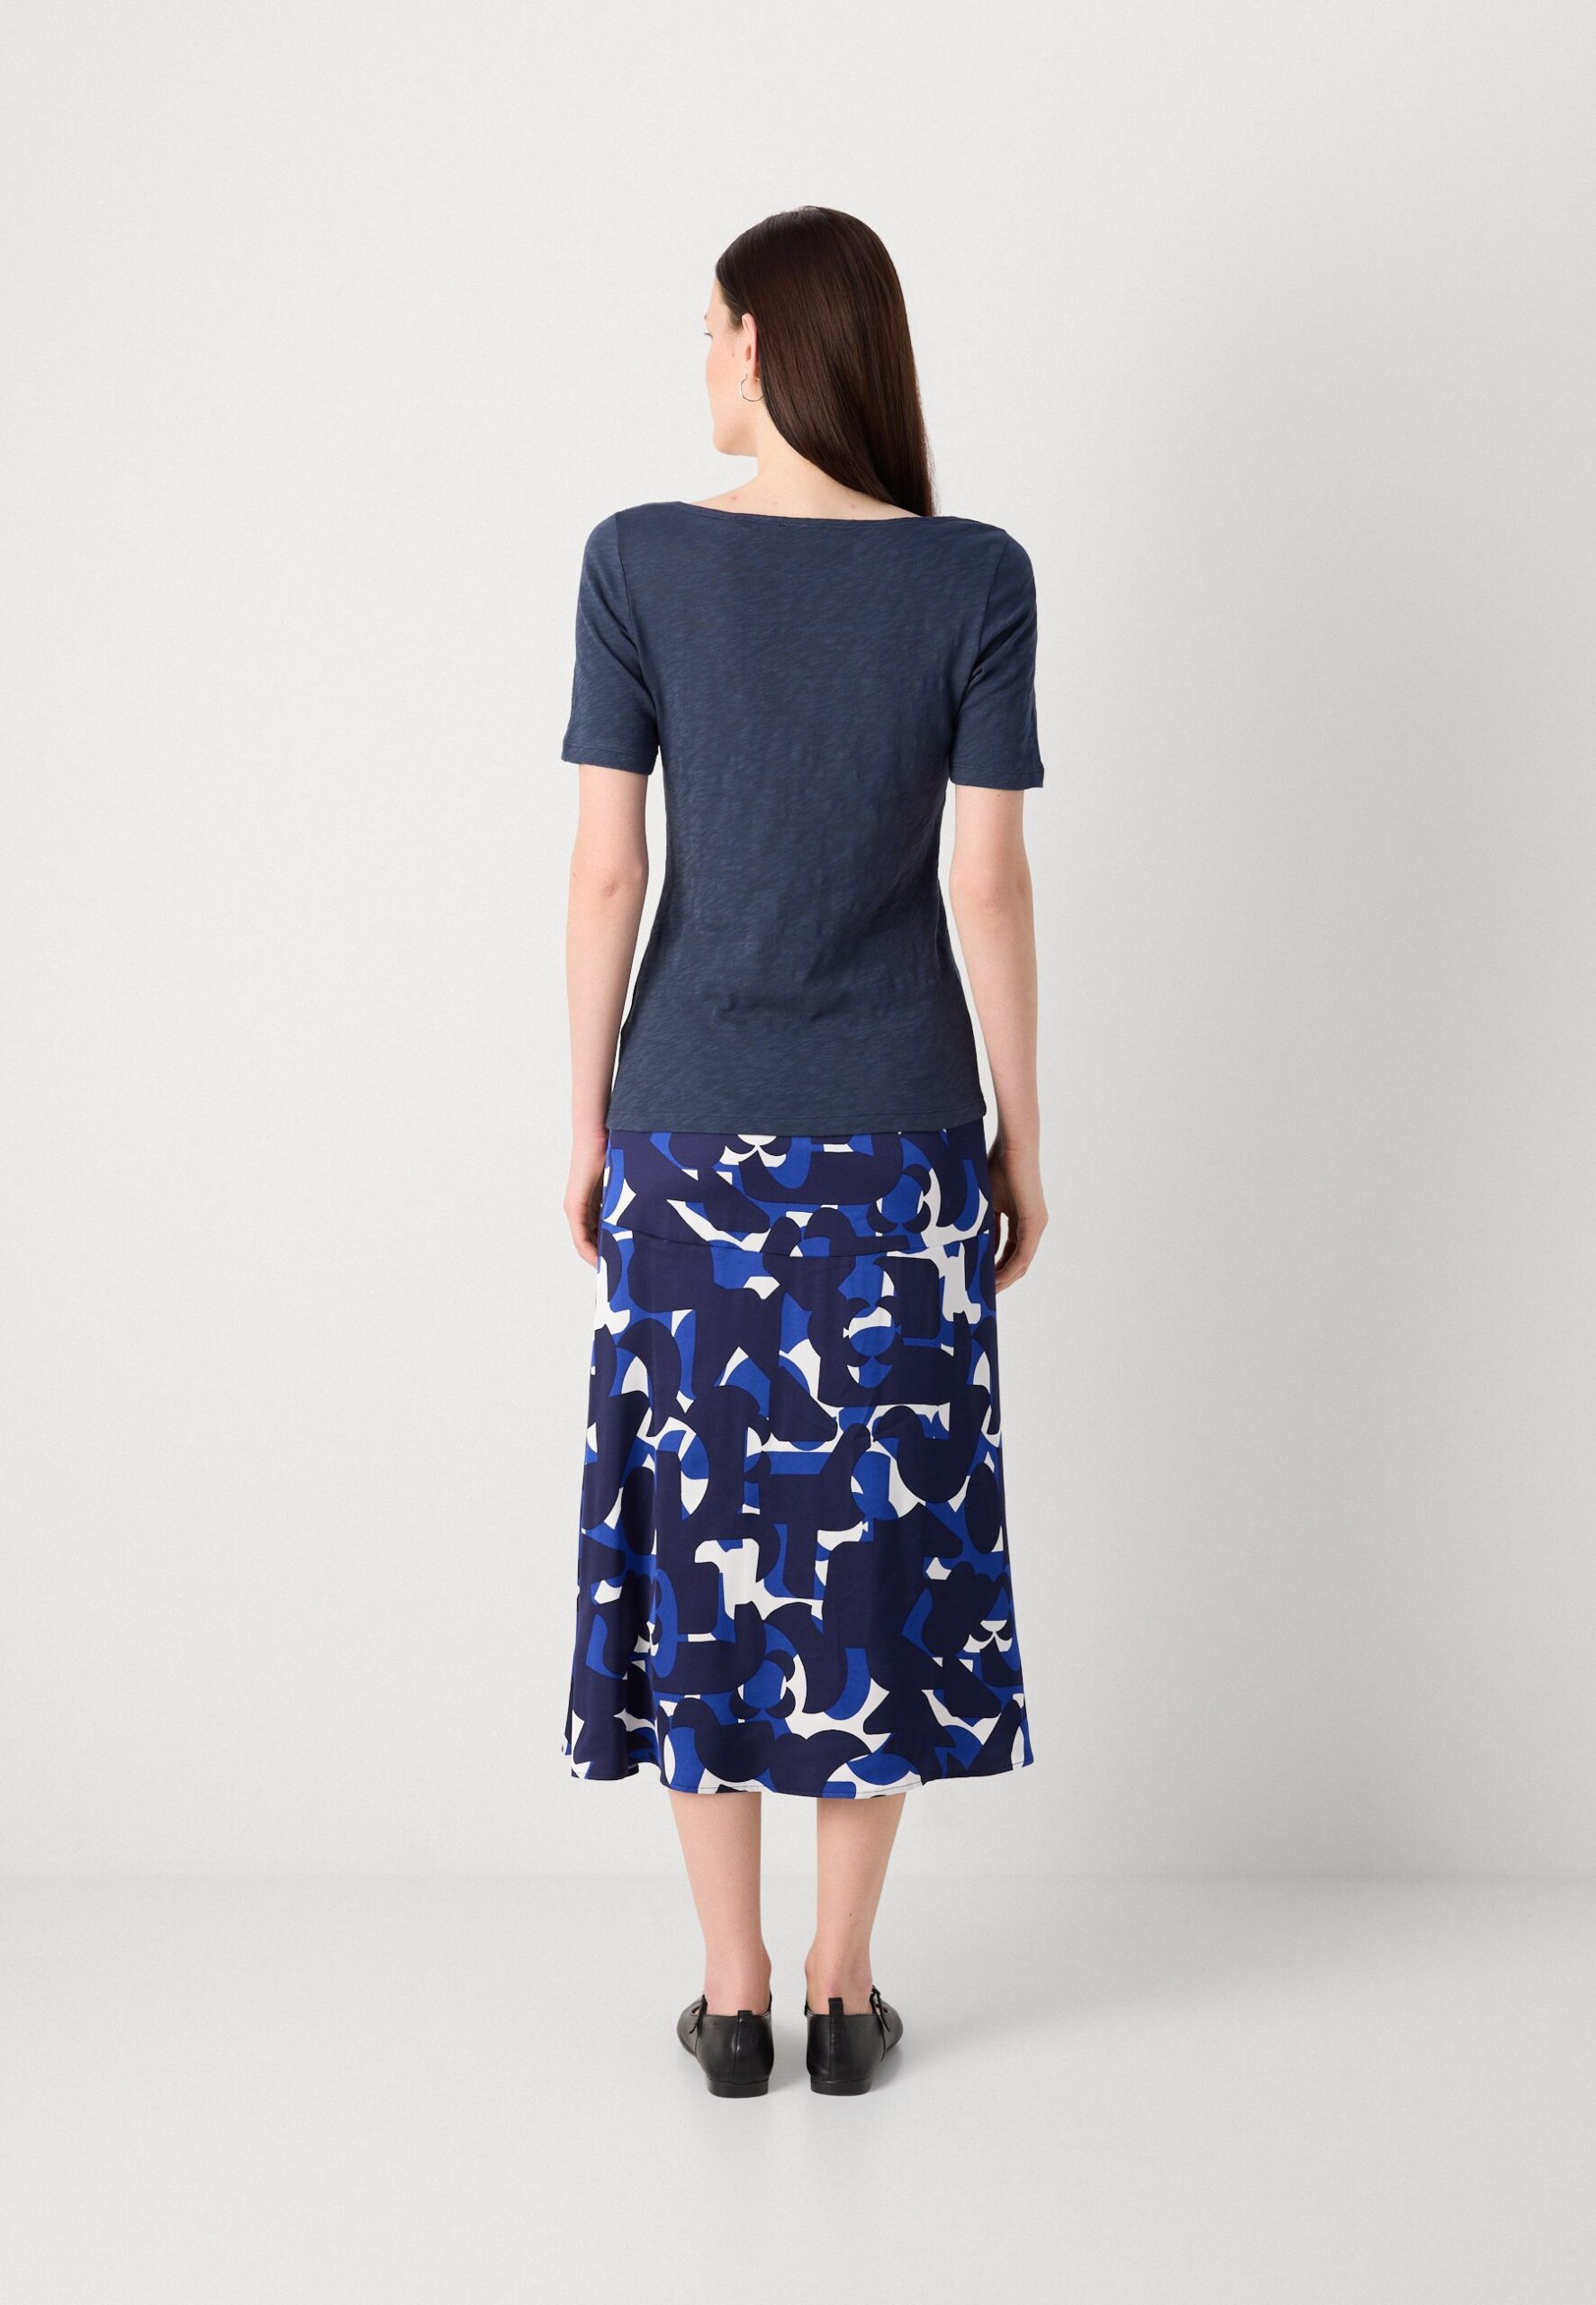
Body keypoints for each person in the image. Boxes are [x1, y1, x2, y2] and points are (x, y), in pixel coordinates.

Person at [557, 205, 1048, 2098]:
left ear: (760, 340)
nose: (698, 360)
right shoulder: (972, 577)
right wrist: (1020, 1129)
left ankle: (734, 1987)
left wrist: (587, 1119)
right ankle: (847, 1990)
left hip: (685, 1137)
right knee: (878, 1559)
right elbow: (984, 882)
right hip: (899, 1143)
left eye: (706, 328)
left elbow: (608, 871)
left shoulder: (636, 561)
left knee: (702, 1555)